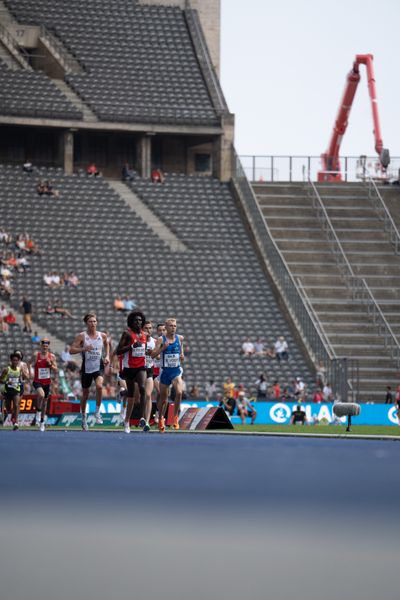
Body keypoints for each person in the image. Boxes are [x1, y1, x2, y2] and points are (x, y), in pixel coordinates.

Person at [70, 313, 110, 431]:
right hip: (86, 367)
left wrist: (107, 356)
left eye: (94, 321)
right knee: (85, 394)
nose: (93, 324)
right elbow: (71, 350)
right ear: (86, 323)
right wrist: (83, 349)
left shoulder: (102, 335)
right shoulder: (82, 336)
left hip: (99, 366)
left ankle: (97, 412)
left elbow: (107, 344)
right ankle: (83, 418)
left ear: (97, 323)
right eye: (90, 322)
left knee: (99, 386)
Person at [115, 310, 148, 434]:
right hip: (129, 368)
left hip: (141, 366)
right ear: (131, 322)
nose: (138, 322)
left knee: (143, 388)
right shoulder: (127, 334)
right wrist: (131, 346)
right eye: (136, 320)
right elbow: (118, 351)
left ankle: (143, 417)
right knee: (131, 396)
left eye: (140, 320)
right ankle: (127, 421)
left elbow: (144, 350)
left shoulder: (144, 335)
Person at [151, 317, 184, 432]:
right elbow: (153, 355)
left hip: (175, 371)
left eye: (175, 326)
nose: (173, 328)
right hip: (165, 372)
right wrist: (162, 349)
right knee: (164, 399)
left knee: (179, 392)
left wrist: (182, 356)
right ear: (166, 327)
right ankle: (160, 418)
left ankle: (175, 417)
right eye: (171, 326)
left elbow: (181, 349)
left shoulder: (179, 338)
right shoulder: (161, 340)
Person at [29, 339, 58, 432]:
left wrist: (50, 365)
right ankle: (37, 411)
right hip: (37, 381)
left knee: (45, 403)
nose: (45, 347)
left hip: (47, 382)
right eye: (43, 346)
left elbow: (56, 370)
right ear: (41, 346)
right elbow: (28, 363)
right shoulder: (36, 355)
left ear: (48, 347)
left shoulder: (52, 357)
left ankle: (42, 423)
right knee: (41, 395)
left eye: (46, 346)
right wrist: (30, 373)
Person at [0, 353, 24, 430]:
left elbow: (20, 378)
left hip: (16, 390)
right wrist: (6, 381)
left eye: (17, 360)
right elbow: (0, 380)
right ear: (11, 361)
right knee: (8, 408)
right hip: (7, 391)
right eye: (14, 360)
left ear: (18, 361)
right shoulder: (6, 370)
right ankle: (12, 416)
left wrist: (20, 382)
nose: (15, 362)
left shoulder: (19, 369)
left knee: (16, 405)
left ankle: (16, 422)